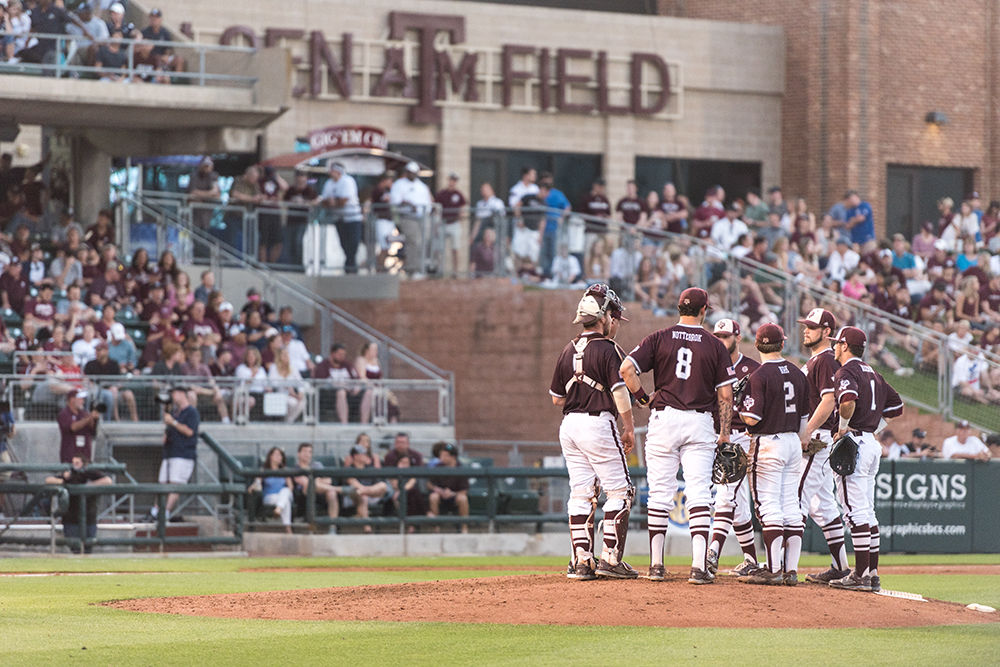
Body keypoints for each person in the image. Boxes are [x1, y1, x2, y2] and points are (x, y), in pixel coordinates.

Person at [621, 287, 736, 584]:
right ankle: (699, 567)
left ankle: (656, 565)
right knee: (699, 493)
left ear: (678, 308)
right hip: (699, 421)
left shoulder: (659, 337)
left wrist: (643, 398)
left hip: (665, 418)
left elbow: (626, 370)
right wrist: (724, 432)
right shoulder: (715, 345)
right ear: (704, 311)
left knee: (659, 492)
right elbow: (725, 393)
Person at [550, 284, 636, 580]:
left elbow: (556, 399)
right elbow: (620, 392)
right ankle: (610, 558)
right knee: (621, 491)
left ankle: (581, 561)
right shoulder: (608, 349)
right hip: (597, 423)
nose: (615, 323)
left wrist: (581, 387)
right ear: (604, 316)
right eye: (613, 316)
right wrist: (629, 428)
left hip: (569, 426)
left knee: (581, 492)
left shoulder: (567, 349)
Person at [828, 326, 904, 592]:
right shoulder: (875, 373)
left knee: (854, 511)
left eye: (837, 343)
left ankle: (860, 575)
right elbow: (897, 407)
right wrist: (875, 426)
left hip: (856, 443)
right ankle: (871, 573)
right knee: (867, 512)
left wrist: (843, 427)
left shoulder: (846, 371)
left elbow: (847, 400)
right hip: (870, 441)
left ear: (845, 346)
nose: (834, 347)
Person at [735, 323, 809, 586]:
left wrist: (738, 405)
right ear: (782, 344)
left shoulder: (759, 375)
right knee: (791, 505)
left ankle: (774, 569)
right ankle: (791, 570)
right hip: (792, 441)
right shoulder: (798, 373)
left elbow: (752, 419)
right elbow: (804, 418)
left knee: (768, 505)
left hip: (768, 442)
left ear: (756, 345)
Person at [795, 308, 851, 584]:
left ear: (827, 332)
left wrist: (807, 431)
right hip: (819, 437)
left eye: (812, 326)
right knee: (823, 505)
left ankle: (783, 565)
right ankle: (840, 567)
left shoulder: (826, 360)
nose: (806, 330)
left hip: (817, 438)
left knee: (797, 496)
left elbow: (829, 401)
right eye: (805, 325)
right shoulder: (818, 360)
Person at [705, 319, 761, 578]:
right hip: (716, 436)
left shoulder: (753, 369)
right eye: (716, 335)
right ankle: (750, 559)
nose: (719, 340)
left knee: (726, 495)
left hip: (742, 437)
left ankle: (712, 552)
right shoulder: (709, 366)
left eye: (725, 336)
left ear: (738, 337)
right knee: (737, 503)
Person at [149, 385, 200, 522]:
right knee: (163, 483)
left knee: (175, 484)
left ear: (182, 393)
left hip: (183, 453)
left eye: (175, 393)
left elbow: (190, 432)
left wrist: (174, 423)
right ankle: (155, 511)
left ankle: (165, 513)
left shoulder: (191, 412)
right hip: (169, 452)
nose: (173, 396)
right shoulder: (175, 412)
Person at [45, 455, 112, 554]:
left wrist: (89, 486)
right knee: (74, 547)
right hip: (70, 518)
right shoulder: (69, 474)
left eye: (77, 463)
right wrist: (64, 479)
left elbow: (108, 481)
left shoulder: (91, 473)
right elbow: (48, 480)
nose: (74, 465)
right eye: (73, 463)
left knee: (88, 547)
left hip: (89, 518)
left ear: (84, 464)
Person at [389, 162, 433, 276]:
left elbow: (427, 202)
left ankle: (421, 267)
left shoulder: (422, 186)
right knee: (414, 241)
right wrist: (408, 205)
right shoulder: (399, 184)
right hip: (408, 217)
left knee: (423, 241)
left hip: (422, 217)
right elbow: (395, 201)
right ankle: (412, 268)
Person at [292, 442, 339, 534]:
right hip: (304, 496)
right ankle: (339, 489)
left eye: (310, 452)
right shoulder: (295, 468)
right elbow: (305, 483)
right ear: (299, 454)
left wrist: (316, 481)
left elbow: (328, 480)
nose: (307, 454)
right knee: (310, 486)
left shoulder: (317, 465)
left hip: (321, 493)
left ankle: (332, 527)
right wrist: (318, 480)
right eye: (305, 451)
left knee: (331, 493)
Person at [343, 444, 390, 533]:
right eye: (363, 454)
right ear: (356, 456)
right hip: (353, 497)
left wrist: (365, 490)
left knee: (383, 485)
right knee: (363, 496)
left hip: (370, 495)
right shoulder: (349, 469)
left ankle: (360, 514)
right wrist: (366, 490)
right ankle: (367, 526)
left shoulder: (370, 469)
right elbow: (352, 482)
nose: (366, 456)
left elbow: (380, 486)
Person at [426, 442, 470, 533]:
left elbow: (464, 491)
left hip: (455, 496)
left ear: (453, 457)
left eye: (445, 455)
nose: (441, 458)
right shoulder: (438, 467)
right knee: (433, 496)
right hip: (440, 496)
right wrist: (437, 490)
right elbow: (429, 484)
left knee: (463, 498)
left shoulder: (461, 468)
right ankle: (436, 528)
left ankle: (464, 527)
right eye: (441, 455)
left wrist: (452, 493)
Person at [251, 447, 293, 533]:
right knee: (286, 502)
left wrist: (283, 495)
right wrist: (252, 486)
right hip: (270, 497)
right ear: (270, 456)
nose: (279, 457)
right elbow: (257, 482)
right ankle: (288, 528)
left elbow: (291, 487)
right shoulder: (264, 470)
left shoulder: (285, 471)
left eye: (280, 455)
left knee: (285, 490)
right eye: (277, 454)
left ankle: (279, 508)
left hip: (283, 495)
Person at [434, 172, 467, 276]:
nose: (452, 182)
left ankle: (455, 271)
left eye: (454, 180)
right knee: (440, 248)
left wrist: (460, 216)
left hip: (454, 223)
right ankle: (440, 269)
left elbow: (462, 206)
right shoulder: (442, 193)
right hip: (444, 223)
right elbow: (436, 207)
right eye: (451, 180)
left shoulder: (458, 194)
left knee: (455, 248)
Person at [57, 389, 100, 463]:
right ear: (72, 399)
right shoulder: (64, 414)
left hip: (85, 456)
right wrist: (89, 418)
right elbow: (73, 427)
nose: (83, 401)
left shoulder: (84, 413)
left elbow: (92, 431)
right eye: (80, 399)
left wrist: (95, 419)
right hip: (70, 456)